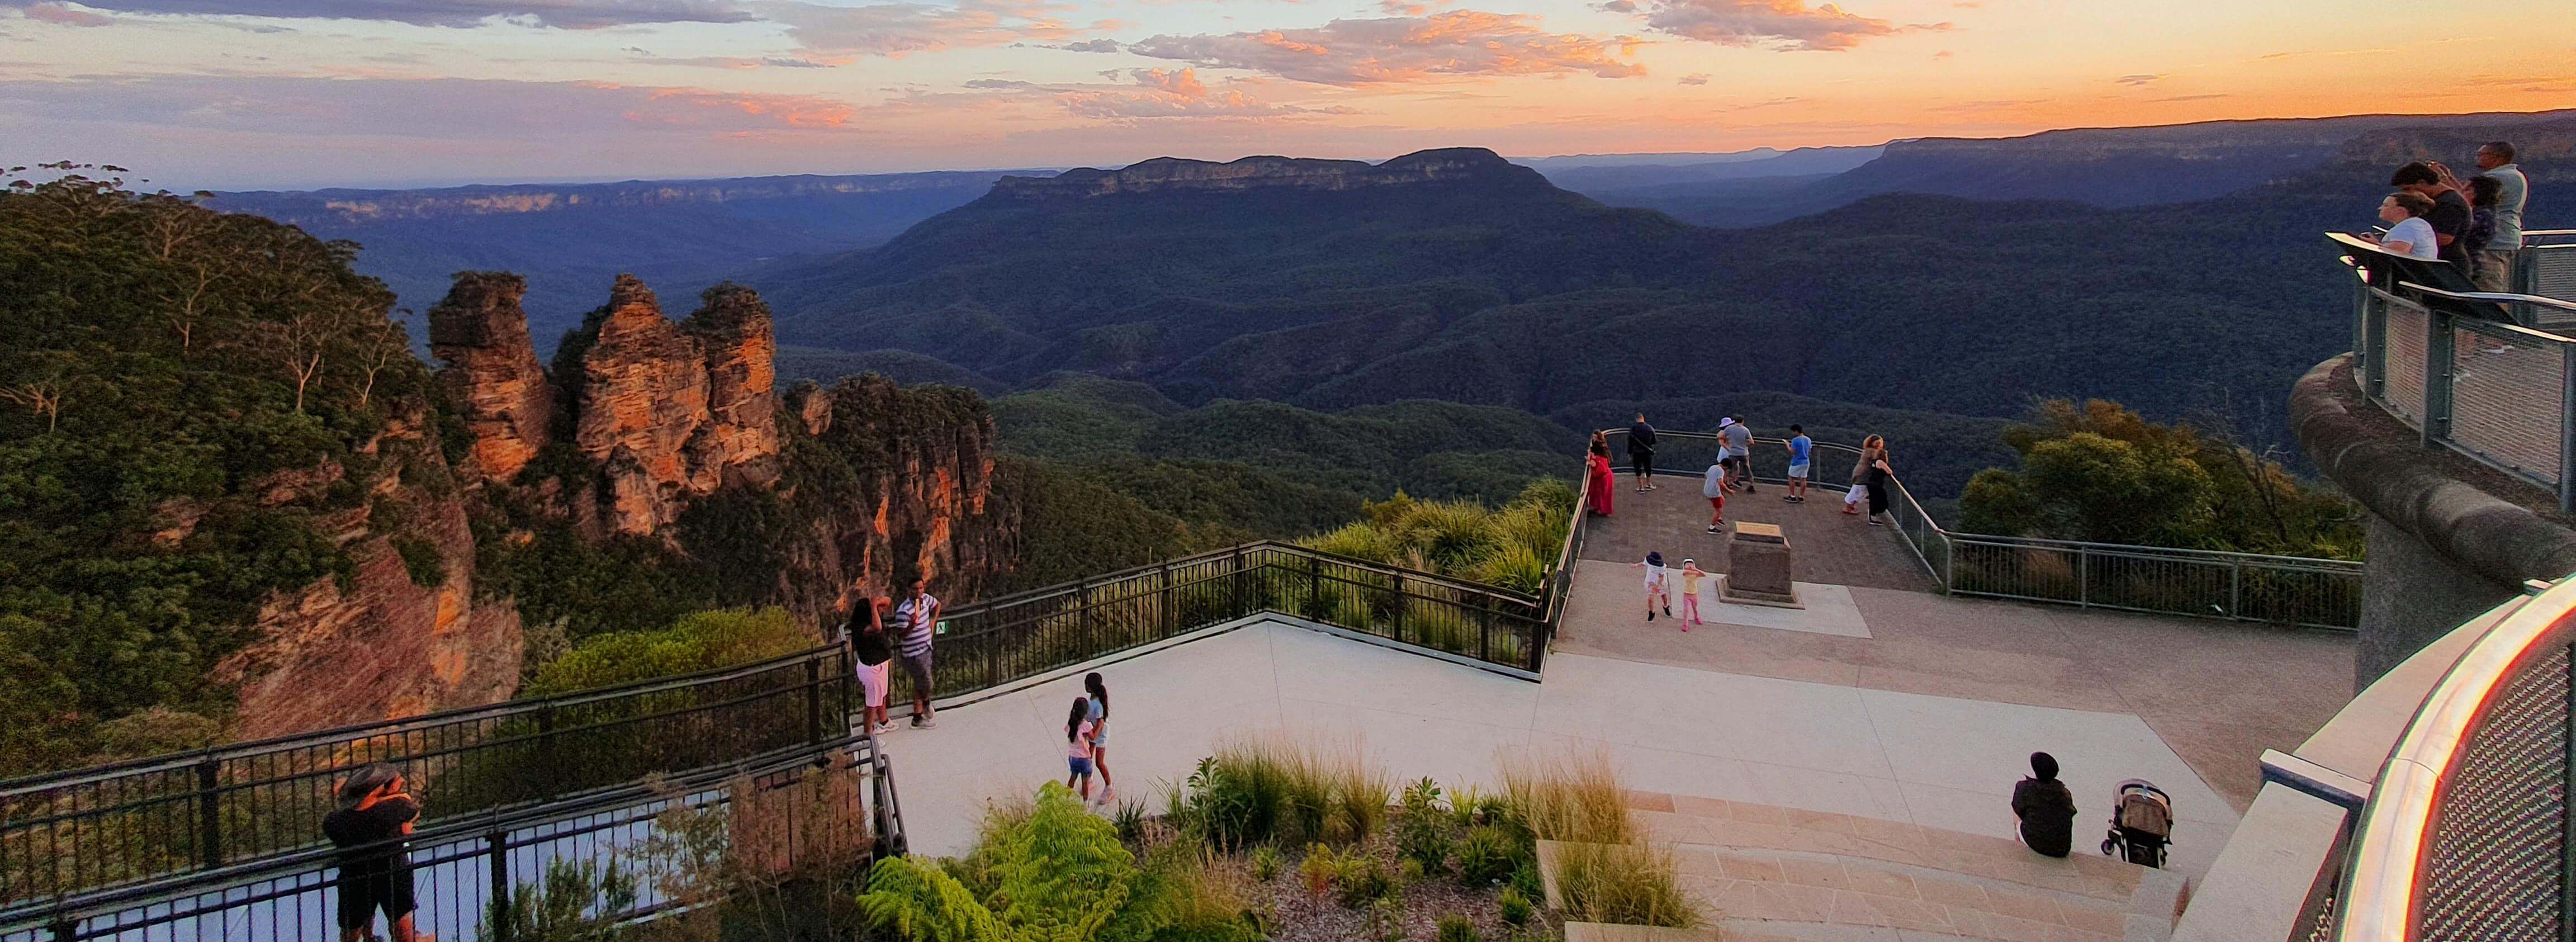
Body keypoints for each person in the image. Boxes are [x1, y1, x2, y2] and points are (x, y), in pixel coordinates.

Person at [323, 764, 426, 942]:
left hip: (355, 879)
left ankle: (368, 936)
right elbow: (412, 811)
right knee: (401, 922)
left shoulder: (335, 821)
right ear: (376, 790)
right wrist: (393, 796)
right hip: (393, 874)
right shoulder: (393, 809)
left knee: (351, 930)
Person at [2392, 162, 2471, 271]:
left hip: (2448, 266)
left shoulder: (2450, 204)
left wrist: (2405, 239)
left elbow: (2445, 238)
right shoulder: (2440, 201)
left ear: (2422, 182)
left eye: (2408, 189)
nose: (2407, 194)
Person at [2475, 141, 2529, 292]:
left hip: (2494, 242)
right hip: (2508, 238)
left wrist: (2443, 179)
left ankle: (2490, 317)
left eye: (2482, 155)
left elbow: (2468, 198)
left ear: (2496, 158)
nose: (2478, 158)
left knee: (2488, 291)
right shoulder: (2516, 175)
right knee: (2501, 289)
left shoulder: (2496, 178)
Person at [893, 579, 941, 730]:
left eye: (921, 588)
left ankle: (917, 717)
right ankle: (926, 704)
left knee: (920, 684)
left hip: (926, 648)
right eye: (915, 589)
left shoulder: (926, 599)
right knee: (927, 683)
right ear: (909, 590)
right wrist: (911, 625)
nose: (919, 591)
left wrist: (933, 621)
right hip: (913, 654)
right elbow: (901, 636)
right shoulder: (903, 611)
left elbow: (938, 604)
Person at [2010, 752, 2078, 859]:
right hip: (2062, 848)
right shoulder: (2065, 793)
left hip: (2036, 843)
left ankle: (2019, 843)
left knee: (2016, 809)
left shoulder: (2024, 787)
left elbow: (2018, 808)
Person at [847, 595, 894, 735]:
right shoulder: (861, 627)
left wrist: (876, 601)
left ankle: (884, 721)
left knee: (881, 696)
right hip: (872, 668)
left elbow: (888, 601)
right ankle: (868, 734)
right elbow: (877, 627)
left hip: (880, 664)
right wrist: (874, 607)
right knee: (872, 703)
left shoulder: (872, 618)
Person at [2373, 191, 2438, 262]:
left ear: (2401, 210)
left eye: (2386, 205)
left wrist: (2374, 244)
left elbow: (2398, 252)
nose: (2380, 208)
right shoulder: (2419, 224)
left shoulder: (2406, 227)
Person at [1083, 672, 1115, 804]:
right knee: (1088, 758)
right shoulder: (1091, 702)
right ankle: (1090, 780)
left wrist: (1093, 735)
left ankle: (1109, 787)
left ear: (1090, 687)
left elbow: (1100, 722)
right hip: (1093, 732)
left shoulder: (1098, 705)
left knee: (1099, 763)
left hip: (1100, 735)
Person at [1064, 697, 1097, 803]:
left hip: (1073, 757)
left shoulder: (1071, 723)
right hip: (1084, 758)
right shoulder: (1085, 725)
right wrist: (1099, 726)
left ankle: (1066, 798)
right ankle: (1085, 803)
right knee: (1085, 781)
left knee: (1073, 777)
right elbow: (1093, 737)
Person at [1843, 436, 1882, 516]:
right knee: (1860, 491)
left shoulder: (1867, 450)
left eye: (1880, 443)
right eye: (1877, 443)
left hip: (1860, 473)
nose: (1879, 445)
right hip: (1864, 475)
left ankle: (1850, 506)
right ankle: (1848, 507)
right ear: (1872, 443)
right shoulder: (1873, 451)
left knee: (1857, 490)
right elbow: (1878, 461)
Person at [1862, 441, 1896, 527]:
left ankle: (1872, 515)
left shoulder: (1874, 461)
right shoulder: (1880, 462)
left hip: (1872, 483)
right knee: (1879, 500)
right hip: (1876, 484)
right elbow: (1889, 471)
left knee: (1876, 500)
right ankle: (1872, 518)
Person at [1718, 417, 1755, 494]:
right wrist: (1745, 446)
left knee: (1731, 468)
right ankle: (1752, 485)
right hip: (1744, 453)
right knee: (1747, 469)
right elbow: (1752, 442)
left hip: (1733, 452)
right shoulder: (1745, 430)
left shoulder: (1730, 429)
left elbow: (1720, 436)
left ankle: (1728, 484)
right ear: (1743, 421)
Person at [1630, 551, 1670, 622]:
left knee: (1663, 596)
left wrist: (1658, 586)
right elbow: (1643, 564)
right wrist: (1635, 566)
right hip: (1650, 582)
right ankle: (1651, 613)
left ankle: (1666, 606)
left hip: (1659, 583)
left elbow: (1661, 577)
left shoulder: (1663, 567)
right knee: (1650, 599)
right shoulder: (1649, 560)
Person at [1586, 432, 1616, 516]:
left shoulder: (1599, 450)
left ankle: (1600, 510)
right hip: (1607, 475)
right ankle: (1602, 509)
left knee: (1600, 494)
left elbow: (1596, 464)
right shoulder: (1604, 449)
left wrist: (1591, 461)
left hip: (1603, 476)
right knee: (1604, 494)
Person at [1626, 413, 1658, 493]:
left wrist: (1630, 453)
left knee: (1638, 469)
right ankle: (1649, 484)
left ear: (1637, 419)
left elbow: (1630, 442)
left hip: (1637, 452)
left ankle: (1641, 487)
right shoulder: (1649, 428)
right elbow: (1654, 440)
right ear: (1643, 418)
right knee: (1648, 468)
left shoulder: (1633, 429)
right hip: (1647, 452)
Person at [1783, 424, 1812, 503]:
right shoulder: (1808, 439)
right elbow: (1810, 452)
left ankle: (1792, 496)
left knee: (1791, 478)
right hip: (1806, 462)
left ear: (1796, 431)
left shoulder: (1795, 440)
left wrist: (1787, 445)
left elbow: (1792, 451)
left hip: (1797, 462)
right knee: (1803, 479)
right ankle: (1801, 497)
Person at [1677, 558, 1707, 629]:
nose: (1690, 565)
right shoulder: (1685, 573)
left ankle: (1696, 617)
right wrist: (1693, 570)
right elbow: (1685, 572)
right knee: (1686, 610)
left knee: (1695, 608)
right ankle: (1685, 624)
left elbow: (1704, 574)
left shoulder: (1695, 574)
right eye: (1688, 564)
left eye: (1691, 564)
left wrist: (1695, 569)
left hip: (1694, 594)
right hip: (1687, 594)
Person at [1701, 458, 1726, 533]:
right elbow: (1721, 483)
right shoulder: (1721, 471)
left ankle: (1719, 518)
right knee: (1719, 510)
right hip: (1714, 493)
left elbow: (1706, 475)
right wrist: (1730, 491)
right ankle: (1712, 528)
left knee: (1722, 499)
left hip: (1707, 490)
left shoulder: (1713, 467)